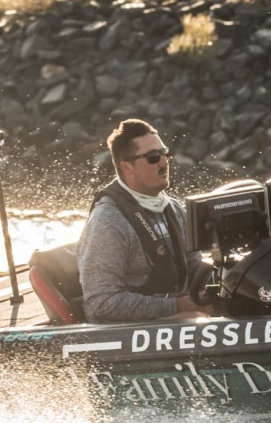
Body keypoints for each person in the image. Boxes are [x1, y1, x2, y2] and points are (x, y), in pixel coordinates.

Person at [76, 119, 207, 323]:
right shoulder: (108, 221)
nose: (164, 162)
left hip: (170, 314)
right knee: (197, 319)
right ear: (127, 168)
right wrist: (177, 306)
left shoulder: (173, 208)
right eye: (153, 157)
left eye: (165, 153)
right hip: (125, 329)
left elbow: (194, 265)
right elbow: (101, 303)